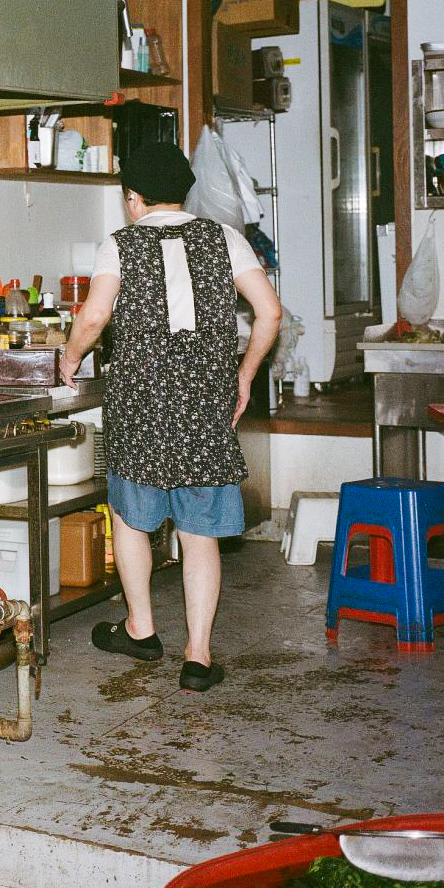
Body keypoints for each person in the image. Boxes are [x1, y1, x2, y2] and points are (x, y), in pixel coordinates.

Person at [60, 140, 281, 691]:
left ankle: (140, 629)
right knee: (200, 533)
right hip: (206, 403)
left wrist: (69, 357)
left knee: (131, 519)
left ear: (132, 198)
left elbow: (93, 318)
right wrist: (245, 374)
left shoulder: (120, 244)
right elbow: (270, 312)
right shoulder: (225, 237)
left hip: (140, 403)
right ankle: (198, 657)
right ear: (185, 192)